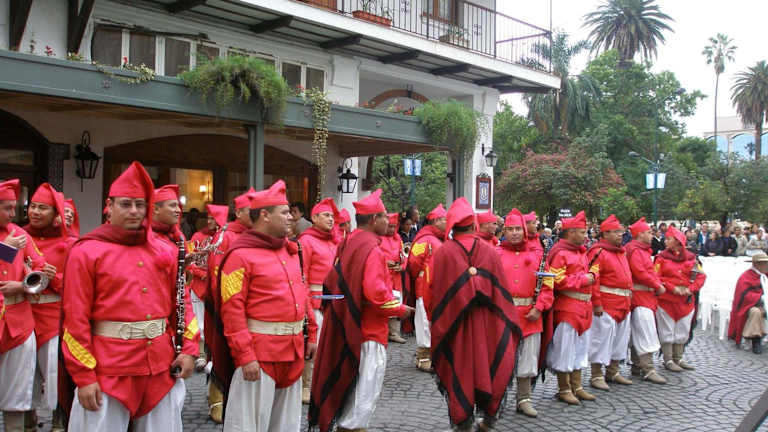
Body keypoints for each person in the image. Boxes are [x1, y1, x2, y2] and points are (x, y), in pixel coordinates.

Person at [62, 162, 199, 431]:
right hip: (108, 370)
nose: (134, 211)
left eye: (140, 204)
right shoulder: (85, 252)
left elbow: (182, 303)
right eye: (126, 204)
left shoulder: (166, 251)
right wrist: (84, 376)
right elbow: (75, 319)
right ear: (109, 206)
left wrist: (189, 350)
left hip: (159, 368)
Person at [216, 180, 317, 431]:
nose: (291, 217)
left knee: (286, 425)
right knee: (248, 425)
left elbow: (302, 295)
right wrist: (245, 355)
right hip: (259, 357)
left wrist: (312, 334)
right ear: (265, 215)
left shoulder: (291, 252)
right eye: (284, 212)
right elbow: (232, 311)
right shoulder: (239, 256)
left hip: (293, 354)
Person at [308, 189, 413, 432]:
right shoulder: (372, 249)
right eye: (384, 216)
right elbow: (376, 295)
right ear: (374, 219)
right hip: (368, 333)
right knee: (362, 396)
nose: (389, 221)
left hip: (347, 325)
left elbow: (331, 281)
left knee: (350, 388)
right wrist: (400, 309)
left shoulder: (348, 242)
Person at [430, 198, 521, 431]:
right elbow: (501, 292)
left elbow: (435, 293)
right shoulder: (490, 251)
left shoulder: (443, 252)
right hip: (490, 323)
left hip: (455, 325)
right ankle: (488, 419)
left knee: (460, 367)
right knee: (491, 362)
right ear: (473, 225)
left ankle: (464, 422)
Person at [23, 184, 77, 428]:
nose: (35, 212)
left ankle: (59, 419)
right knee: (24, 372)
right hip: (22, 316)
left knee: (54, 373)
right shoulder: (17, 237)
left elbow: (78, 286)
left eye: (42, 208)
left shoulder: (71, 243)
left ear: (55, 213)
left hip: (53, 318)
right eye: (33, 206)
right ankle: (27, 418)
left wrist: (55, 278)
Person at [0, 179, 51, 431]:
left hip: (18, 324)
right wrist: (4, 250)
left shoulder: (20, 234)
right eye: (7, 208)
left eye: (15, 207)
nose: (13, 214)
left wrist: (22, 286)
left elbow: (42, 273)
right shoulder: (11, 241)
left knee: (17, 393)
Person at [496, 208, 553, 418]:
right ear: (504, 231)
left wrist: (539, 308)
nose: (514, 233)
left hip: (530, 315)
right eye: (510, 229)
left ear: (524, 230)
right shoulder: (495, 254)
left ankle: (524, 398)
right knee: (501, 359)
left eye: (518, 229)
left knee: (528, 358)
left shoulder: (538, 254)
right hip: (503, 316)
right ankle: (496, 400)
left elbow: (548, 285)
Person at [206, 188, 254, 424]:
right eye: (249, 211)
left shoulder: (257, 236)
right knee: (222, 351)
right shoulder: (225, 236)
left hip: (251, 311)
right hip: (228, 305)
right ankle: (216, 399)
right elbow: (217, 273)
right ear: (239, 212)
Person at [545, 210, 598, 405]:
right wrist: (584, 279)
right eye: (582, 232)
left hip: (584, 307)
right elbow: (557, 280)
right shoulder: (560, 253)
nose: (586, 236)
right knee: (565, 348)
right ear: (571, 232)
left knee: (580, 348)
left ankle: (577, 385)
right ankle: (564, 388)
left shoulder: (581, 252)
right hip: (568, 307)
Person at [296, 198, 339, 404]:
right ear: (314, 218)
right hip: (315, 303)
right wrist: (306, 305)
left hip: (334, 303)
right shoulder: (306, 241)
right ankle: (306, 385)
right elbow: (301, 275)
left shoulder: (334, 240)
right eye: (326, 215)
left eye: (332, 216)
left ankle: (324, 383)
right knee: (313, 345)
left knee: (330, 347)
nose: (331, 219)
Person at [586, 215, 634, 392]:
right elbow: (594, 280)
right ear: (605, 234)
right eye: (616, 232)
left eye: (621, 231)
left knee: (620, 339)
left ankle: (613, 371)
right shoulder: (598, 252)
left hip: (623, 302)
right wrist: (597, 303)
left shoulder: (620, 252)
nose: (620, 235)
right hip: (607, 303)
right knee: (601, 339)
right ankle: (596, 374)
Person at [655, 226, 706, 372]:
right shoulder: (661, 258)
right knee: (666, 329)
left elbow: (701, 276)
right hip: (666, 301)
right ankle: (668, 359)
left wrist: (691, 289)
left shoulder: (692, 259)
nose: (665, 241)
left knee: (683, 329)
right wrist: (672, 287)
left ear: (678, 242)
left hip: (685, 301)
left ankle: (678, 358)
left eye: (669, 239)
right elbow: (656, 276)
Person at [186, 204, 229, 372]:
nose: (209, 221)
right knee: (199, 321)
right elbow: (189, 261)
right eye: (208, 218)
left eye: (213, 218)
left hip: (218, 287)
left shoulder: (225, 237)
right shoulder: (197, 236)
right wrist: (202, 273)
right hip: (199, 285)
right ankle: (201, 354)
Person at [625, 218, 667, 384]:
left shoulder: (639, 250)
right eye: (649, 232)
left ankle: (637, 365)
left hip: (644, 296)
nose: (651, 235)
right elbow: (640, 272)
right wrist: (657, 285)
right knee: (645, 330)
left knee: (640, 330)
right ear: (640, 234)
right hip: (640, 297)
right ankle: (648, 368)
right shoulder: (636, 250)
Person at [406, 203, 447, 372]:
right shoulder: (424, 239)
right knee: (423, 320)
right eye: (444, 219)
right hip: (424, 286)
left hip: (437, 286)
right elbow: (413, 263)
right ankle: (423, 357)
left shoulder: (439, 239)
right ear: (435, 221)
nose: (447, 222)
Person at [727, 253, 768, 354]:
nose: (766, 266)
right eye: (764, 263)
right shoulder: (746, 276)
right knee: (756, 312)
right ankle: (756, 339)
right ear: (756, 264)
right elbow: (744, 296)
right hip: (751, 305)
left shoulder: (765, 275)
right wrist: (761, 300)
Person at [380, 213, 407, 344]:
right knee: (384, 303)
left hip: (396, 277)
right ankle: (384, 331)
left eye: (394, 226)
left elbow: (404, 257)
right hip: (384, 277)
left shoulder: (398, 239)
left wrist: (402, 266)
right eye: (390, 226)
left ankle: (394, 332)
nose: (391, 229)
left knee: (396, 303)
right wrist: (385, 262)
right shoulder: (379, 238)